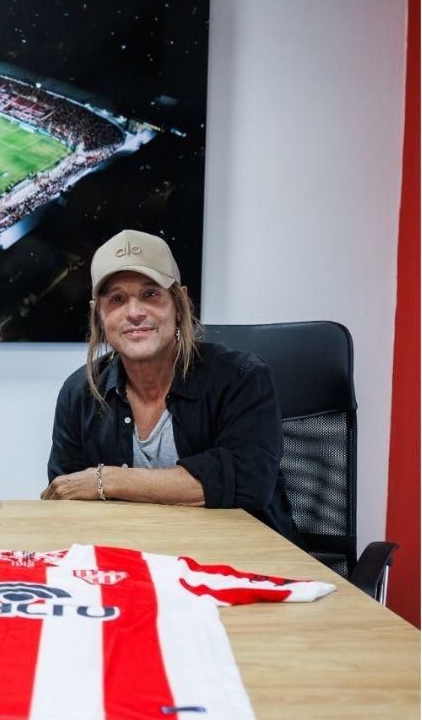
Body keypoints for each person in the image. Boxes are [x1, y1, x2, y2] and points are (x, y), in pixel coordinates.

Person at [42, 229, 296, 540]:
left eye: (150, 294)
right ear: (100, 315)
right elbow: (66, 497)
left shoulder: (241, 377)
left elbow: (249, 479)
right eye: (117, 299)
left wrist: (106, 480)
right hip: (128, 562)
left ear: (179, 303)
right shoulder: (80, 391)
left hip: (240, 560)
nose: (134, 313)